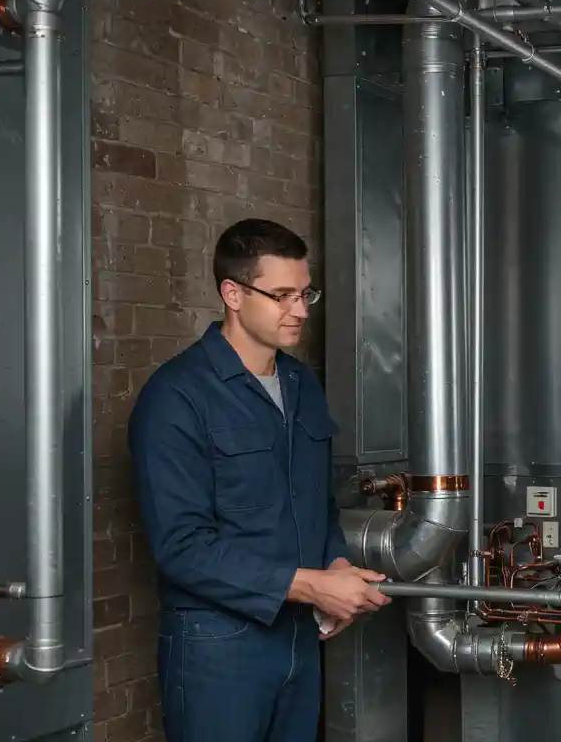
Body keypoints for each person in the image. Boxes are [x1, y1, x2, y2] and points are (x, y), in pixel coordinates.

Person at [129, 218, 391, 742]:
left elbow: (320, 501)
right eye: (281, 295)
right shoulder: (176, 397)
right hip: (217, 651)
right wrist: (311, 585)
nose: (300, 311)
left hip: (297, 638)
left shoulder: (301, 385)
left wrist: (334, 560)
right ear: (232, 293)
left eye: (304, 293)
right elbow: (181, 547)